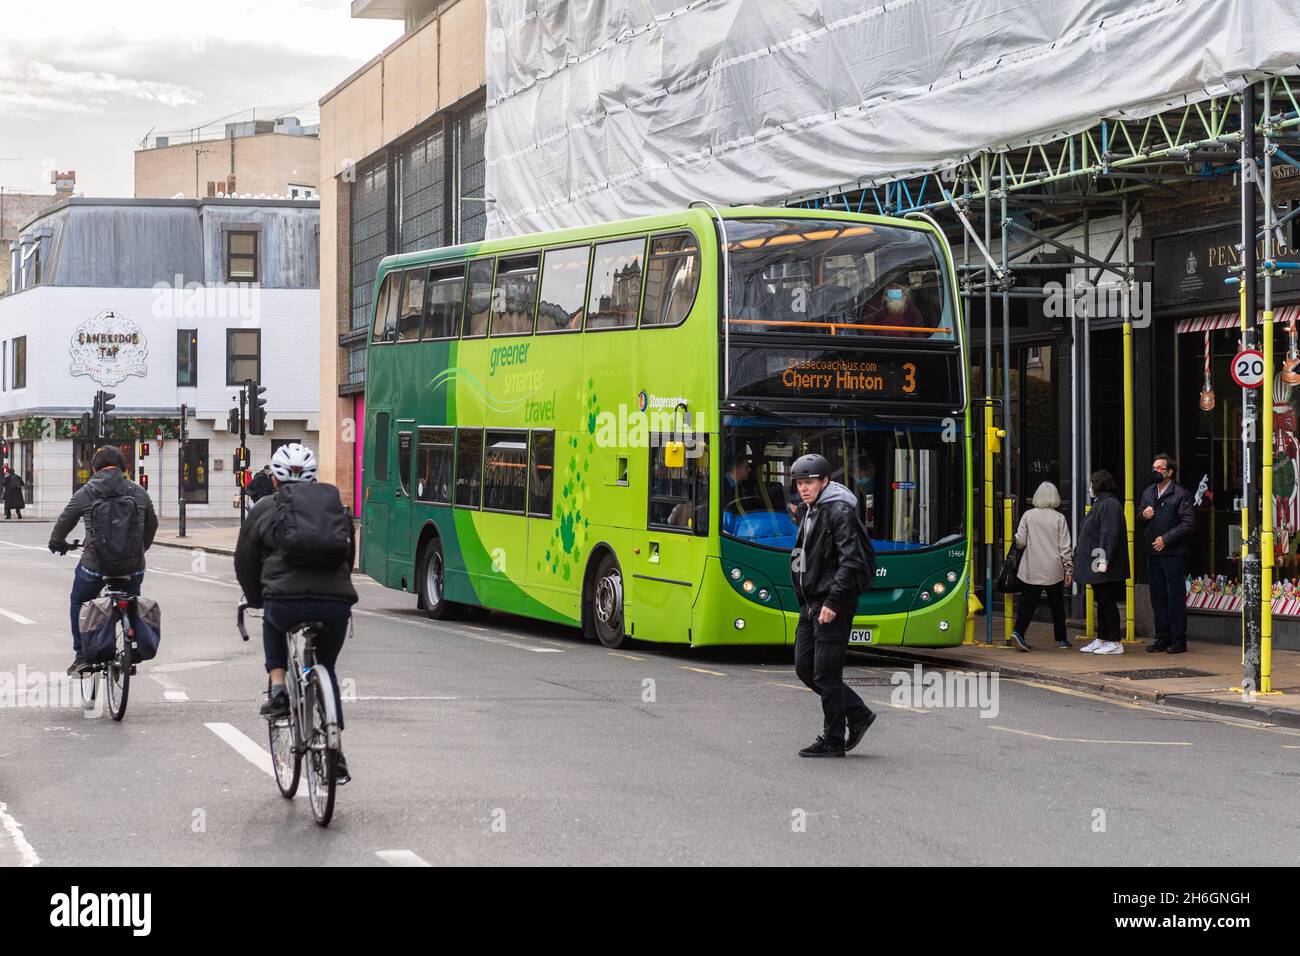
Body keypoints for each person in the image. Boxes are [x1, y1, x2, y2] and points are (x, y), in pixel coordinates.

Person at [234, 443, 358, 784]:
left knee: (273, 620)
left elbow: (244, 560)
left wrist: (257, 597)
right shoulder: (335, 506)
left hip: (286, 601)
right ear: (314, 478)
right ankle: (335, 746)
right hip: (336, 603)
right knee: (326, 667)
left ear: (275, 480)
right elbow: (348, 556)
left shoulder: (262, 510)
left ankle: (278, 690)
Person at [789, 453, 877, 757]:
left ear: (825, 481)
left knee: (826, 673)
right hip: (812, 602)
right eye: (800, 482)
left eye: (809, 482)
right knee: (805, 667)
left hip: (833, 603)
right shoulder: (811, 510)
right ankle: (859, 713)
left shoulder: (838, 511)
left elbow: (850, 560)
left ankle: (833, 739)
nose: (804, 487)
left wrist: (833, 601)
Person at [48, 446, 157, 675]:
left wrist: (58, 543)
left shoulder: (86, 492)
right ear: (123, 467)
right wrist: (140, 549)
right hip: (133, 566)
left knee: (79, 600)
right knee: (132, 598)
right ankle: (133, 647)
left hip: (95, 566)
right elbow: (152, 524)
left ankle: (81, 656)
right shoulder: (138, 492)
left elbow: (63, 524)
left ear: (95, 469)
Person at [1138, 453, 1195, 654]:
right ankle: (1162, 637)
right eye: (1154, 468)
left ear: (1170, 472)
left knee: (1175, 597)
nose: (1156, 471)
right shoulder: (1148, 492)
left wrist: (1166, 539)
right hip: (1152, 551)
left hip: (1173, 552)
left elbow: (1188, 524)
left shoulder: (1180, 494)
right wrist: (1143, 515)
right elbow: (1139, 516)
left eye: (1160, 468)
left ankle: (1179, 639)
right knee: (1158, 596)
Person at [1009, 482, 1073, 651]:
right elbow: (1065, 547)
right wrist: (1068, 569)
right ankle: (1062, 640)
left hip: (1032, 566)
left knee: (1027, 602)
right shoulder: (1059, 518)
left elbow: (1020, 541)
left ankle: (1019, 632)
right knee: (1057, 604)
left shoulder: (1028, 515)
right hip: (1053, 568)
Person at [1073, 469, 1130, 655]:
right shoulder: (1102, 503)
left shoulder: (1109, 504)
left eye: (1092, 483)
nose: (1090, 487)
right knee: (1102, 600)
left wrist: (1103, 559)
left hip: (1103, 562)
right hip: (1097, 560)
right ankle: (1102, 638)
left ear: (1098, 485)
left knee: (1107, 601)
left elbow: (1109, 533)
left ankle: (1114, 641)